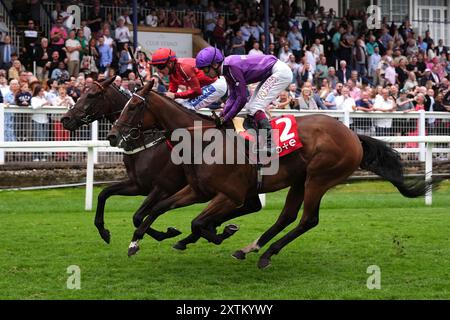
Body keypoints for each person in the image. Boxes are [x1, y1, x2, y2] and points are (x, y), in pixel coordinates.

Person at [195, 46, 293, 155]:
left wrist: (226, 118)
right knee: (251, 107)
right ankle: (258, 140)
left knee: (256, 107)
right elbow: (233, 96)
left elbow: (241, 99)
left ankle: (270, 144)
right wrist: (222, 115)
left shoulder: (231, 67)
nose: (204, 73)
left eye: (205, 69)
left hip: (279, 72)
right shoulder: (227, 68)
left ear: (215, 64)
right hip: (272, 70)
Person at [149, 47, 227, 111]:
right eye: (156, 67)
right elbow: (171, 93)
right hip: (206, 86)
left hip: (217, 84)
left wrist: (175, 95)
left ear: (170, 63)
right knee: (177, 103)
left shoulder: (184, 68)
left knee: (185, 108)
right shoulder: (172, 73)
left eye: (160, 67)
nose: (158, 71)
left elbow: (196, 91)